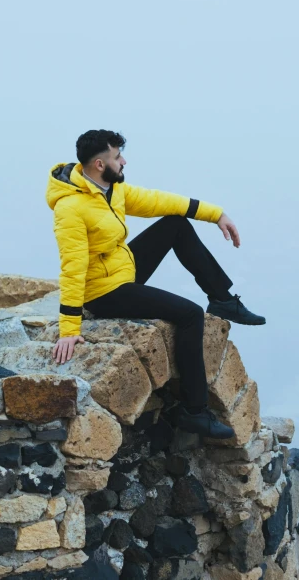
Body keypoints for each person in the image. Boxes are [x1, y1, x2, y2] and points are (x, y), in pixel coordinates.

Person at [45, 129, 265, 439]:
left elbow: (160, 201)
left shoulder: (111, 189)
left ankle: (223, 299)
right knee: (190, 315)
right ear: (98, 164)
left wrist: (216, 214)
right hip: (103, 292)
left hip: (124, 270)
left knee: (175, 224)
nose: (124, 161)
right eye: (117, 157)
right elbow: (72, 267)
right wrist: (69, 329)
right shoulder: (71, 208)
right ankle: (194, 411)